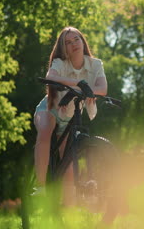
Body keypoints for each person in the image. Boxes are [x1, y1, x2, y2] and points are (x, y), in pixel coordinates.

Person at [32, 26, 107, 207]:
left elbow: (102, 89)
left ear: (83, 42)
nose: (73, 44)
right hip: (49, 109)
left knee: (68, 169)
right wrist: (79, 84)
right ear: (63, 48)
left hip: (70, 117)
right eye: (68, 42)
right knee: (45, 131)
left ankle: (67, 214)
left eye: (76, 39)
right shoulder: (60, 62)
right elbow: (51, 75)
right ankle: (40, 187)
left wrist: (88, 90)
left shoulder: (95, 64)